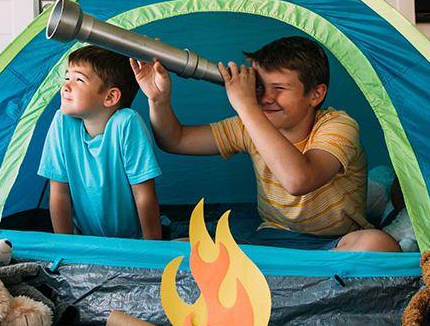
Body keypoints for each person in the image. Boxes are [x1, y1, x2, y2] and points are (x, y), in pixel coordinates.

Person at [131, 36, 401, 252]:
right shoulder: (250, 123)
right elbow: (174, 140)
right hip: (271, 242)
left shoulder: (338, 126)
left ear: (316, 94)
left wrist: (247, 106)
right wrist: (157, 99)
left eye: (279, 89)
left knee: (379, 244)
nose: (266, 98)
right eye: (259, 87)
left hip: (335, 244)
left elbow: (299, 180)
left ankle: (296, 275)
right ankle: (297, 276)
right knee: (181, 249)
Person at [38, 45, 163, 240]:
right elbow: (59, 191)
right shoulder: (62, 122)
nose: (65, 86)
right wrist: (65, 245)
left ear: (110, 96)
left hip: (133, 238)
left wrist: (153, 249)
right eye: (67, 78)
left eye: (78, 79)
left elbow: (144, 194)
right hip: (84, 234)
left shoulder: (126, 124)